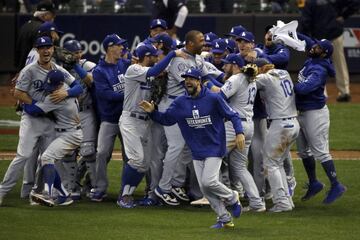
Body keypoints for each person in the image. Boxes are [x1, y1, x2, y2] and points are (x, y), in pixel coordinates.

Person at [140, 68, 244, 229]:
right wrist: (153, 112)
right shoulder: (181, 102)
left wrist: (239, 132)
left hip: (215, 147)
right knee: (204, 188)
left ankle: (232, 197)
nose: (188, 81)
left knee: (209, 182)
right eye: (186, 79)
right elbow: (167, 120)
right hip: (197, 150)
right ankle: (224, 217)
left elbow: (233, 115)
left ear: (199, 81)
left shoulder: (214, 98)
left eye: (192, 79)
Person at [0, 36, 82, 206]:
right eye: (42, 47)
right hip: (32, 119)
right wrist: (33, 103)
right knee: (23, 156)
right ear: (37, 50)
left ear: (53, 49)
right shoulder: (29, 70)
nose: (46, 50)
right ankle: (2, 191)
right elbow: (18, 93)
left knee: (47, 160)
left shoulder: (58, 70)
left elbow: (78, 87)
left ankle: (41, 193)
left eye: (49, 47)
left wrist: (65, 93)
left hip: (51, 120)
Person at [117, 44, 187, 208]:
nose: (157, 58)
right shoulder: (133, 69)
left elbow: (158, 74)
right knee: (136, 159)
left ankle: (129, 194)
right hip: (130, 119)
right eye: (154, 56)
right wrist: (171, 54)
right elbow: (154, 71)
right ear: (147, 56)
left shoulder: (152, 73)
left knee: (144, 164)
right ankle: (124, 195)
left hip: (146, 122)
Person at [207, 54, 266, 212]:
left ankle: (215, 197)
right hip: (248, 126)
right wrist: (208, 80)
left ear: (234, 65)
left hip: (234, 127)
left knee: (214, 157)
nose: (224, 67)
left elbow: (219, 96)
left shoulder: (236, 79)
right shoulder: (250, 79)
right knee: (239, 167)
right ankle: (257, 203)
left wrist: (206, 83)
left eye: (226, 64)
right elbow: (223, 89)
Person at [295, 33, 346, 204]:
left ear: (323, 53)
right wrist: (292, 31)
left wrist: (289, 87)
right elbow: (309, 41)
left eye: (317, 48)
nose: (313, 48)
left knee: (320, 151)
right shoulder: (315, 57)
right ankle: (314, 183)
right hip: (302, 112)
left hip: (315, 114)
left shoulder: (319, 69)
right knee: (303, 151)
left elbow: (305, 88)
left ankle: (336, 184)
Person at [25, 70, 83, 207]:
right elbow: (78, 87)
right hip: (70, 132)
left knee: (46, 158)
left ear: (61, 84)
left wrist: (22, 101)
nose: (51, 89)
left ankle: (48, 194)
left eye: (54, 86)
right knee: (44, 159)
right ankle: (63, 195)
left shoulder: (55, 97)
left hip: (70, 135)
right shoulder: (68, 89)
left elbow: (33, 110)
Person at [254, 58, 299, 212]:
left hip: (281, 126)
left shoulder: (265, 77)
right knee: (277, 163)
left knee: (270, 164)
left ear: (261, 68)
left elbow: (248, 80)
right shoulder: (284, 73)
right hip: (293, 124)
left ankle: (282, 203)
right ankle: (287, 200)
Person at [90, 34, 130, 202]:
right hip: (109, 119)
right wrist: (129, 95)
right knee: (101, 153)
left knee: (130, 156)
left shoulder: (125, 64)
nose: (122, 48)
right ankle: (99, 187)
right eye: (119, 45)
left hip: (127, 118)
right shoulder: (99, 71)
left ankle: (126, 190)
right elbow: (107, 95)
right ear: (110, 47)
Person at [299, 0, 360, 102]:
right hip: (331, 33)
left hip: (322, 36)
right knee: (339, 63)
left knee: (317, 64)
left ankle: (326, 93)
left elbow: (305, 21)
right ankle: (344, 91)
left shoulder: (310, 2)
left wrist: (305, 39)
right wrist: (343, 16)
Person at [62, 39, 98, 199]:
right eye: (74, 53)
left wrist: (76, 65)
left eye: (79, 52)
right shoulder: (59, 68)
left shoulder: (86, 65)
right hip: (68, 114)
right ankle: (72, 187)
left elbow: (91, 81)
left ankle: (94, 187)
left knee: (89, 151)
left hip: (86, 112)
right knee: (68, 153)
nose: (78, 55)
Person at [15, 0, 56, 71]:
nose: (53, 18)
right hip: (35, 72)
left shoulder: (25, 25)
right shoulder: (43, 29)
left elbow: (17, 53)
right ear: (45, 15)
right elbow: (43, 54)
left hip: (22, 71)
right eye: (52, 15)